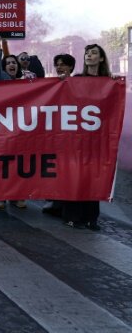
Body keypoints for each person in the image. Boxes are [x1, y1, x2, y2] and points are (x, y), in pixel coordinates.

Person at [62, 44, 110, 231]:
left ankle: (92, 218)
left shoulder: (108, 81)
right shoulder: (77, 79)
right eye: (87, 53)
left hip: (97, 139)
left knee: (94, 177)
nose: (89, 55)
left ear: (100, 58)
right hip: (77, 138)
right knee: (76, 176)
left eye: (93, 53)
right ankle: (72, 216)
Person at [0, 35, 27, 209]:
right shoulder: (0, 80)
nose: (11, 64)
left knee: (18, 164)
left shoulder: (27, 83)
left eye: (14, 62)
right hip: (2, 130)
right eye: (8, 63)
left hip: (21, 131)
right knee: (1, 164)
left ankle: (18, 194)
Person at [42, 53, 76, 217]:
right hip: (54, 135)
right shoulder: (50, 85)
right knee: (54, 169)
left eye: (63, 64)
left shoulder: (78, 84)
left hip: (72, 135)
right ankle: (54, 201)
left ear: (70, 67)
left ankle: (66, 202)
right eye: (57, 64)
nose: (59, 67)